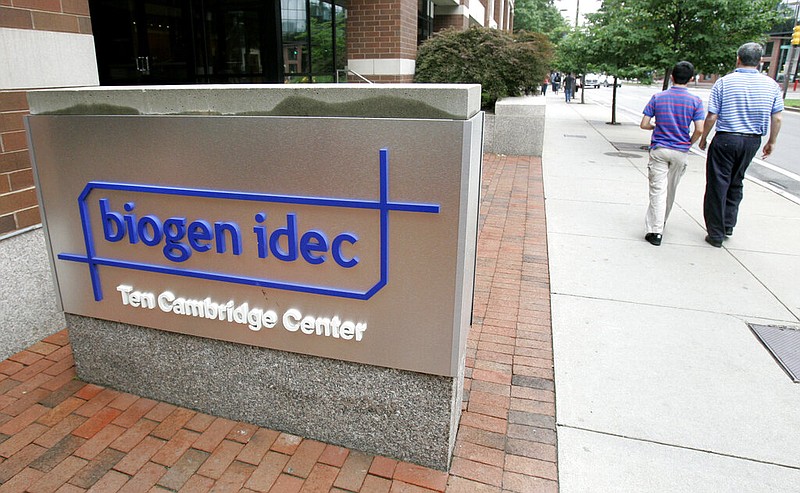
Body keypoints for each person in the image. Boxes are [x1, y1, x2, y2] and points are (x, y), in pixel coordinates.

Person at [698, 42, 783, 247]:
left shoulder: (725, 82)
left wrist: (703, 138)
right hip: (752, 140)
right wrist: (771, 141)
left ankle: (716, 233)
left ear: (738, 58)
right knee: (737, 180)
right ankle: (728, 224)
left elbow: (712, 116)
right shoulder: (771, 85)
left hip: (726, 137)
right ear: (760, 61)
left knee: (718, 183)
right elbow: (777, 118)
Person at [640, 61, 705, 246]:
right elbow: (699, 129)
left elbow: (644, 124)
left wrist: (655, 126)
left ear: (672, 77)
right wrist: (688, 143)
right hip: (680, 150)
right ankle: (662, 221)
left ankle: (655, 230)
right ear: (691, 79)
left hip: (660, 149)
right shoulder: (695, 101)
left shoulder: (658, 98)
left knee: (657, 190)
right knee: (671, 189)